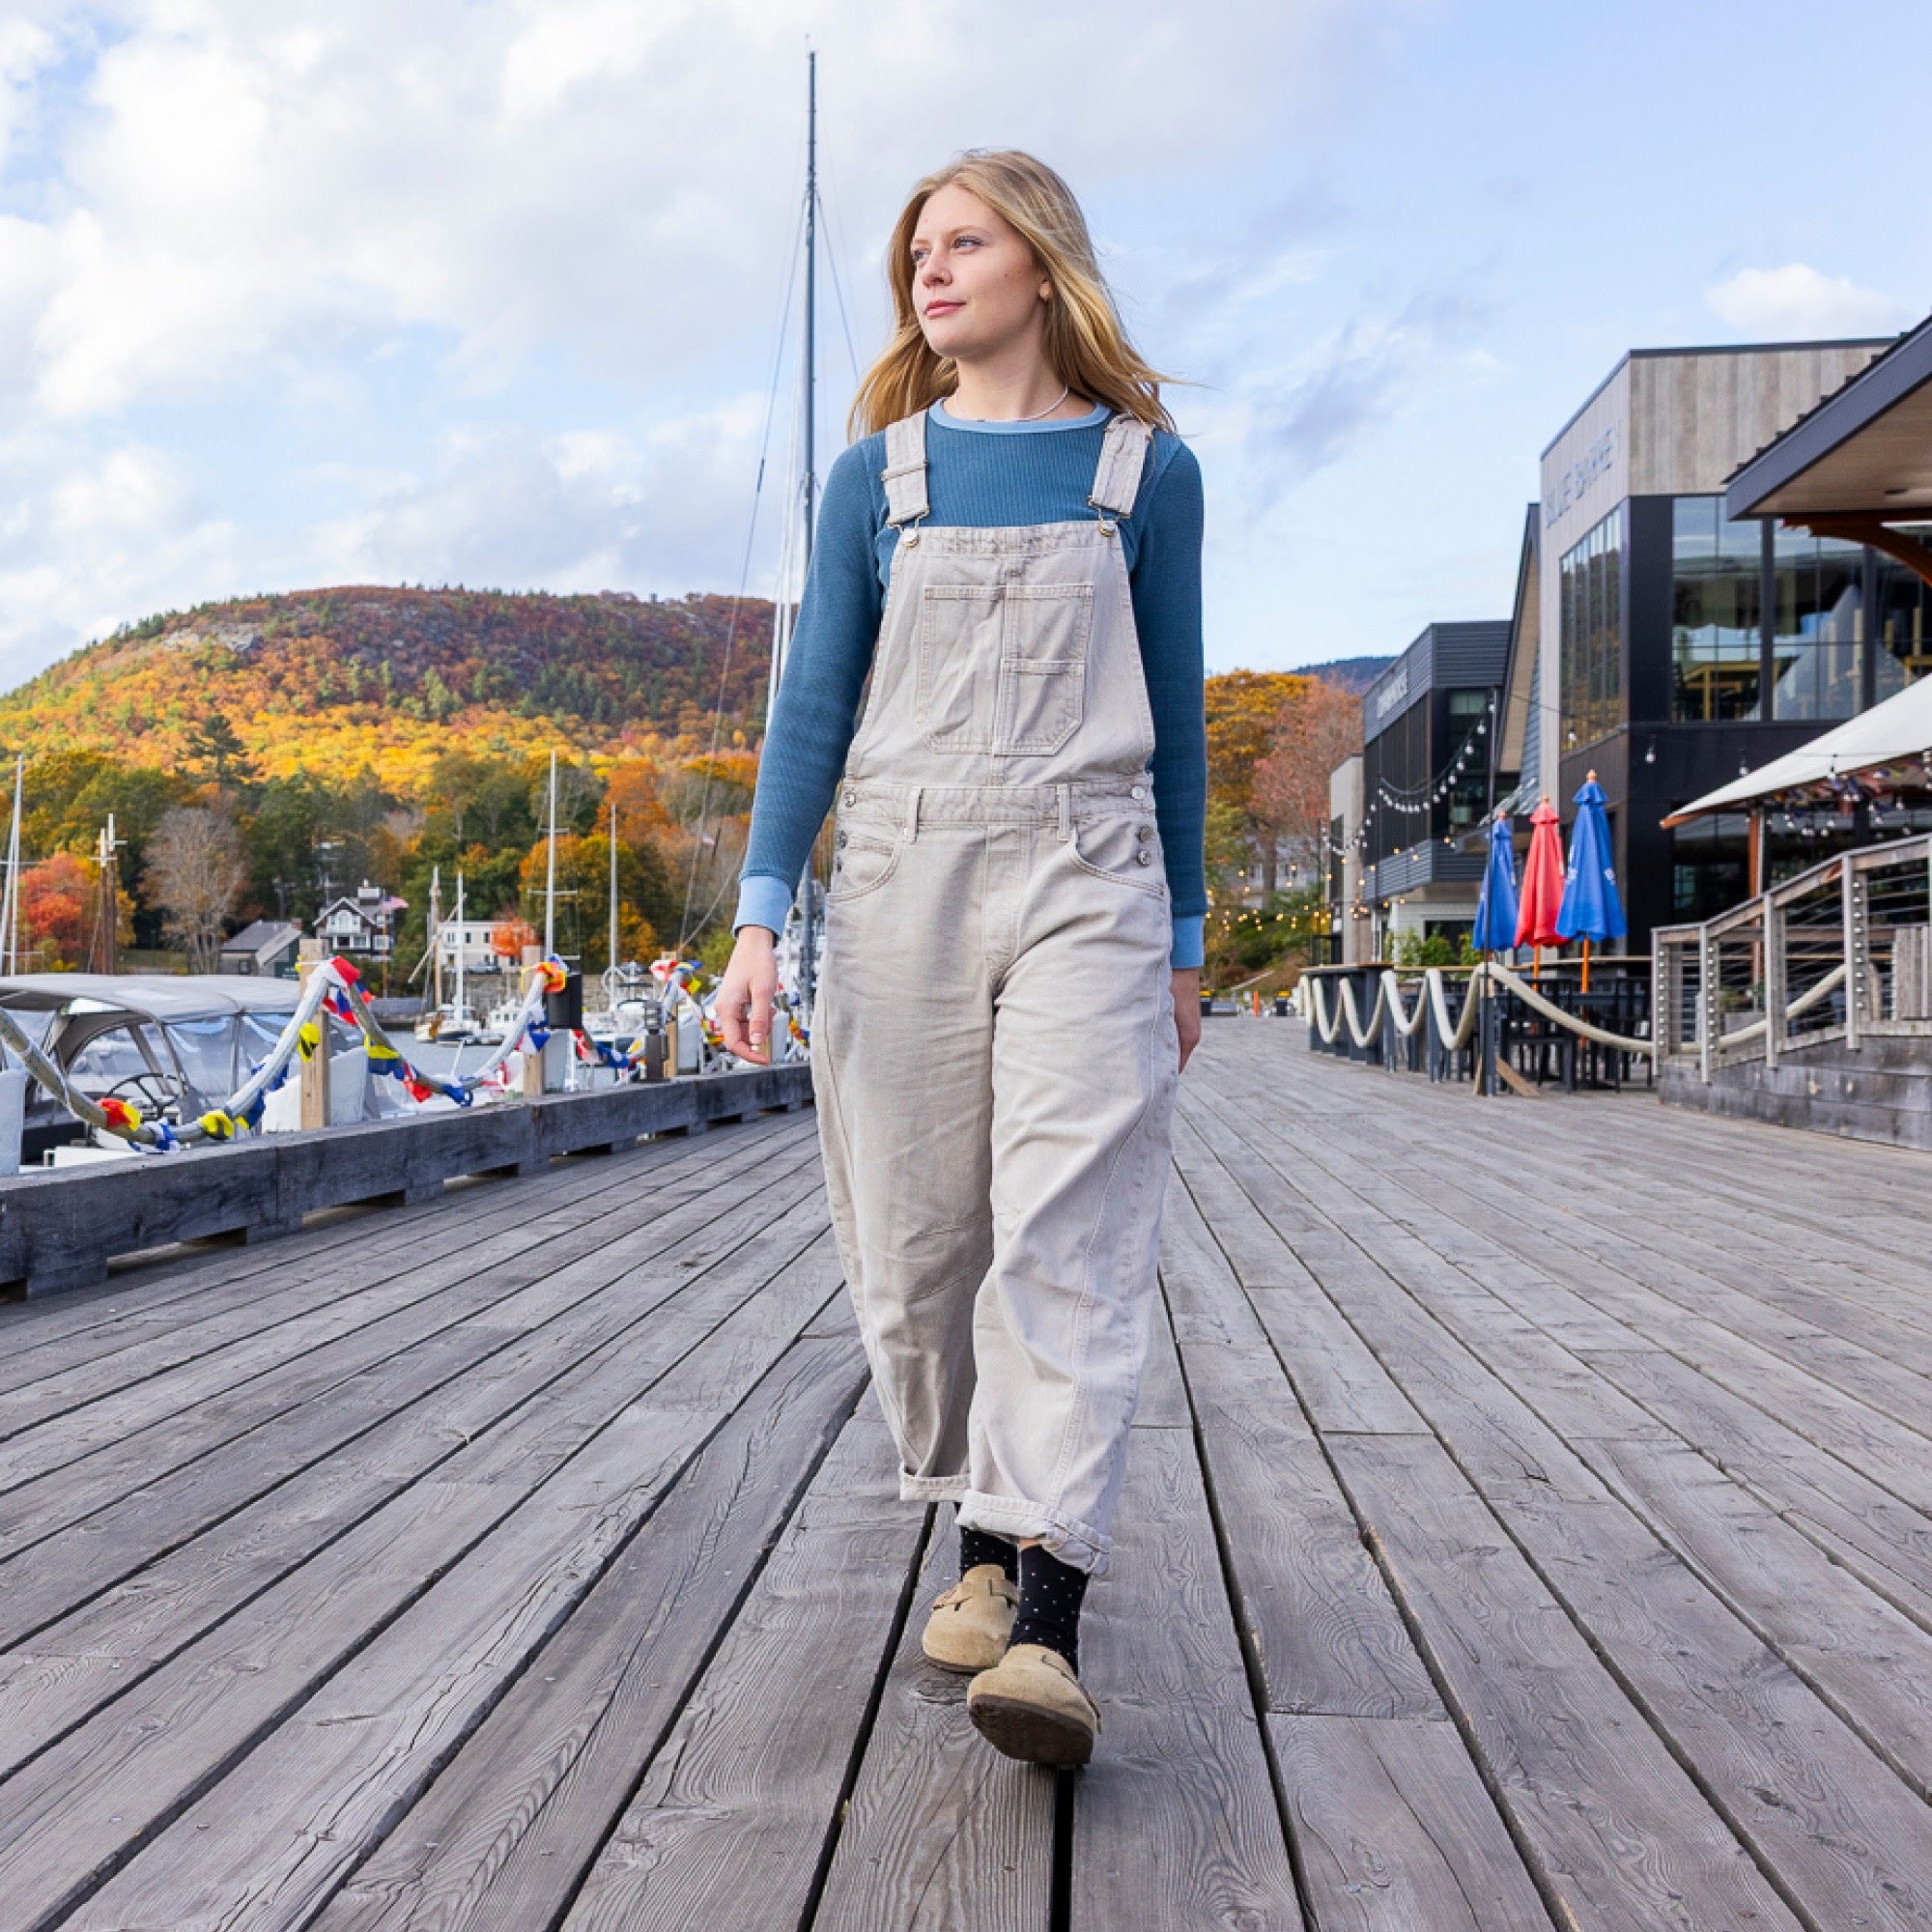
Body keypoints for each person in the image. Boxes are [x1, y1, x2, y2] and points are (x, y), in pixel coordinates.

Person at [715, 148, 1206, 1767]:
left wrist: (1191, 940)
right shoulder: (879, 479)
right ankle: (980, 1543)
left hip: (1091, 867)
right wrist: (759, 917)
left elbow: (1182, 721)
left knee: (1070, 1220)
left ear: (1042, 265)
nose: (929, 271)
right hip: (901, 869)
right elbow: (813, 713)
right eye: (915, 251)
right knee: (926, 1238)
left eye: (963, 243)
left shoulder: (1149, 474)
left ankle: (1045, 1616)